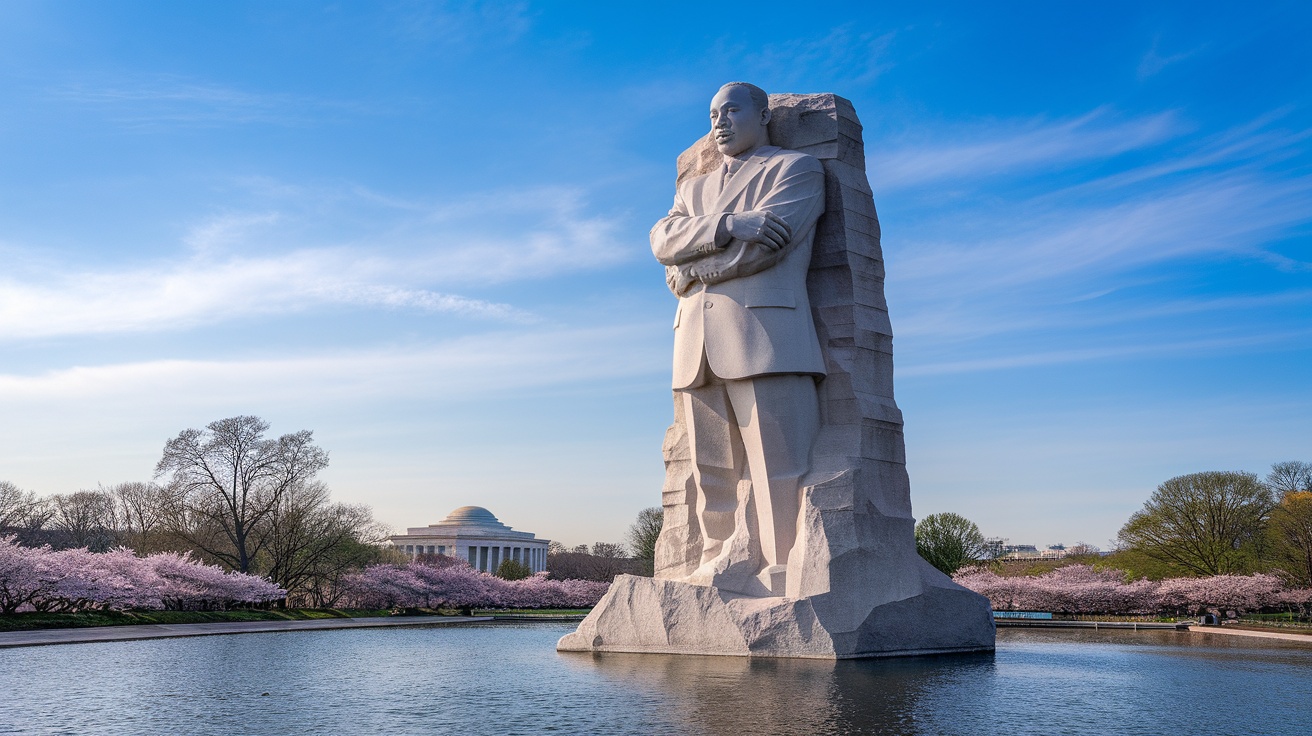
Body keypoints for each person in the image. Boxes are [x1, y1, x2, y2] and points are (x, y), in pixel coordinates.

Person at [650, 82, 826, 595]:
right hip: (695, 343)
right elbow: (663, 242)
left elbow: (767, 248)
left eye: (731, 110)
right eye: (711, 114)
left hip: (767, 337)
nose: (719, 122)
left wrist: (692, 269)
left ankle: (780, 572)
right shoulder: (694, 189)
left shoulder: (793, 169)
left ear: (764, 114)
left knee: (777, 469)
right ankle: (714, 564)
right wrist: (731, 222)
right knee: (712, 471)